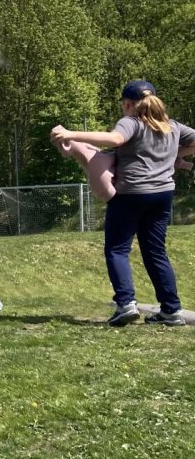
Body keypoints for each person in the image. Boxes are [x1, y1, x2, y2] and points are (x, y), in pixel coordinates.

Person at [51, 80, 195, 326]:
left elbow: (115, 138)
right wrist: (174, 154)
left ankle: (126, 304)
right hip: (162, 194)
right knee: (155, 251)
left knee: (117, 249)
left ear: (128, 104)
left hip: (131, 194)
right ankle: (171, 310)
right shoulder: (172, 126)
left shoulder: (132, 122)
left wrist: (70, 134)